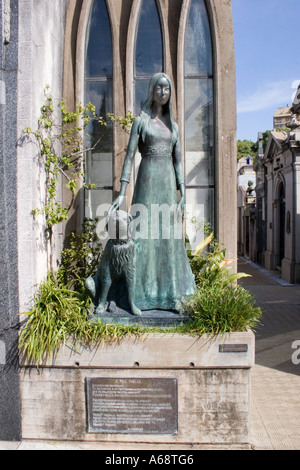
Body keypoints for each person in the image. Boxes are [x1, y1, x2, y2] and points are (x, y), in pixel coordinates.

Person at [109, 72, 196, 311]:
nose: (163, 92)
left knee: (168, 238)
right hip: (146, 181)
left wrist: (182, 191)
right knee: (143, 236)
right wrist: (122, 192)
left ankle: (170, 295)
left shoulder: (173, 127)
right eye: (159, 88)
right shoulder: (141, 122)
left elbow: (178, 162)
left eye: (167, 89)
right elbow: (128, 158)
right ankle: (138, 296)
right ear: (152, 90)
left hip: (167, 184)